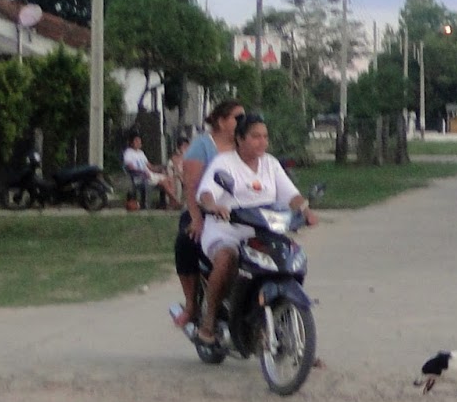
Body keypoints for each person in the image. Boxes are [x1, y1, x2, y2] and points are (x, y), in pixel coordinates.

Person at [195, 112, 317, 346]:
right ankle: (208, 322)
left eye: (265, 137)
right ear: (240, 139)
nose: (262, 142)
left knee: (291, 259)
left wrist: (304, 210)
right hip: (227, 229)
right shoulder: (224, 163)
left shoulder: (270, 164)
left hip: (263, 231)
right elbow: (206, 193)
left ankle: (294, 333)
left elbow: (290, 194)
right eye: (255, 136)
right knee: (226, 258)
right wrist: (214, 206)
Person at [171, 100, 244, 329]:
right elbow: (191, 188)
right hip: (205, 212)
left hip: (239, 214)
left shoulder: (244, 145)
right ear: (222, 122)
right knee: (186, 241)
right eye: (237, 118)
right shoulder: (203, 145)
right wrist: (196, 219)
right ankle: (192, 305)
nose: (243, 123)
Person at [122, 133, 178, 210]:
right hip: (140, 177)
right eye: (136, 141)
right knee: (164, 182)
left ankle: (171, 203)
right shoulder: (128, 153)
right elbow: (130, 167)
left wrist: (161, 167)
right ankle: (175, 202)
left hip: (149, 175)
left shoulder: (141, 153)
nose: (139, 143)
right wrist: (142, 172)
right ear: (131, 143)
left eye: (139, 141)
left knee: (169, 179)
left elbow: (151, 167)